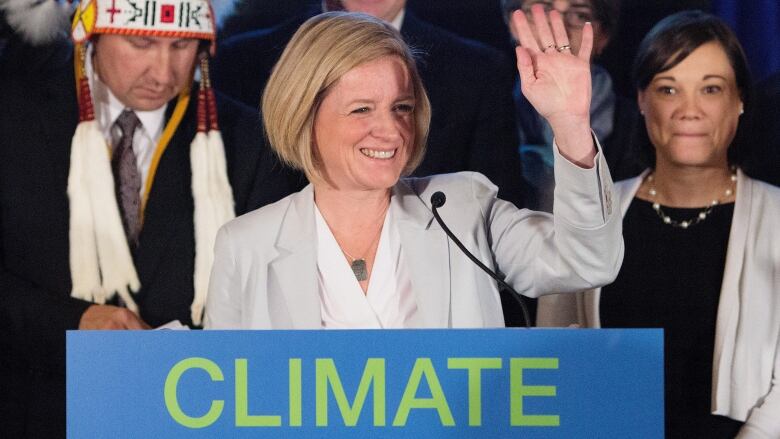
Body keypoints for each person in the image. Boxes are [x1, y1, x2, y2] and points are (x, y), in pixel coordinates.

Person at [204, 10, 622, 331]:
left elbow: (586, 262)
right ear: (303, 115)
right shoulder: (246, 247)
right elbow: (230, 402)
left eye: (401, 108)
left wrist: (569, 125)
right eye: (361, 109)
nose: (390, 130)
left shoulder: (464, 209)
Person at [0, 0, 301, 436]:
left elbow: (269, 307)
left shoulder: (251, 143)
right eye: (141, 43)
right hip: (31, 410)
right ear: (90, 33)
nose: (163, 72)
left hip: (185, 414)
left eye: (182, 45)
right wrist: (75, 321)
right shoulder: (13, 117)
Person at [537, 11, 780, 438]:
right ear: (643, 99)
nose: (689, 110)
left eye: (711, 89)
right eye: (668, 89)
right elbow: (552, 356)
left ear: (740, 100)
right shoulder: (588, 209)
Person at [210, 0, 526, 209]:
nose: (389, 130)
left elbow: (500, 216)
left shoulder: (478, 70)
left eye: (402, 107)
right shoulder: (239, 60)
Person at [502, 0, 644, 212]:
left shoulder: (638, 126)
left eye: (579, 15)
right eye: (542, 9)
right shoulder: (482, 109)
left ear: (603, 36)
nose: (559, 27)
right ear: (514, 24)